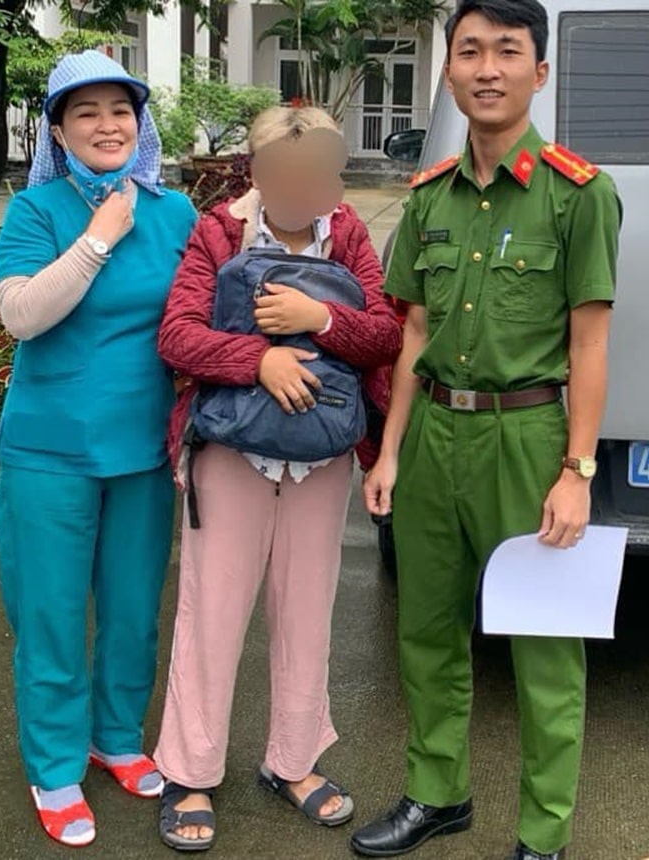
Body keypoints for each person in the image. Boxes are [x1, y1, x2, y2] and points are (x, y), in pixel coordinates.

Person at [350, 0, 622, 858]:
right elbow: (415, 333)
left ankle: (544, 833)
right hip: (435, 434)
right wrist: (391, 452)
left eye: (507, 51)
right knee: (426, 630)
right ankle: (437, 793)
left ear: (539, 72)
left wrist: (577, 470)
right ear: (449, 72)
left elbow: (590, 343)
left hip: (526, 440)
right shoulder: (429, 195)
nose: (487, 68)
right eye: (469, 51)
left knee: (545, 644)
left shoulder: (580, 195)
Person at [152, 106, 402, 852]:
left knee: (307, 611)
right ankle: (190, 771)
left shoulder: (347, 234)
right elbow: (177, 336)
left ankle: (292, 761)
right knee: (212, 611)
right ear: (255, 171)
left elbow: (385, 334)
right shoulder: (218, 232)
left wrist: (319, 318)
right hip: (232, 450)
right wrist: (258, 359)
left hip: (319, 455)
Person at [0, 50, 198, 847]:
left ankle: (115, 737)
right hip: (49, 453)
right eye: (87, 112)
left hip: (143, 449)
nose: (108, 126)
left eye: (121, 110)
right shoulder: (35, 211)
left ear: (139, 123)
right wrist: (100, 236)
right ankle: (53, 765)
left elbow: (203, 309)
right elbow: (22, 315)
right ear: (58, 129)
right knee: (48, 617)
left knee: (134, 611)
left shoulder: (174, 212)